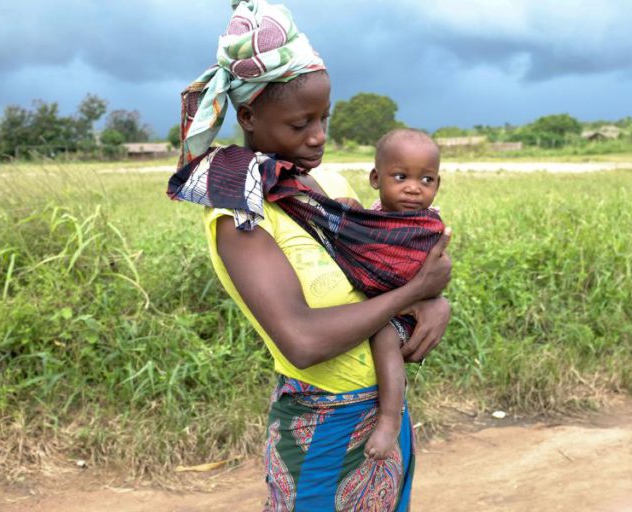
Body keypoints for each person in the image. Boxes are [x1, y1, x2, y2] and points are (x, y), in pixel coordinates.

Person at [168, 1, 452, 509]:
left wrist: (434, 303)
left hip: (389, 415)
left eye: (324, 117)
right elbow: (302, 341)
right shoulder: (240, 217)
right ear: (249, 116)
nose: (318, 136)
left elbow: (383, 272)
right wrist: (415, 292)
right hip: (322, 427)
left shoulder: (327, 188)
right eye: (301, 123)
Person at [334, 128, 443, 461]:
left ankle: (389, 418)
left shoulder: (427, 225)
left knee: (383, 337)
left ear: (438, 185)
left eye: (426, 180)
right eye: (400, 176)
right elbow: (358, 232)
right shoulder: (374, 216)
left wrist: (434, 300)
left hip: (404, 314)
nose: (413, 188)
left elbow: (436, 273)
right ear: (375, 178)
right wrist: (349, 209)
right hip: (384, 306)